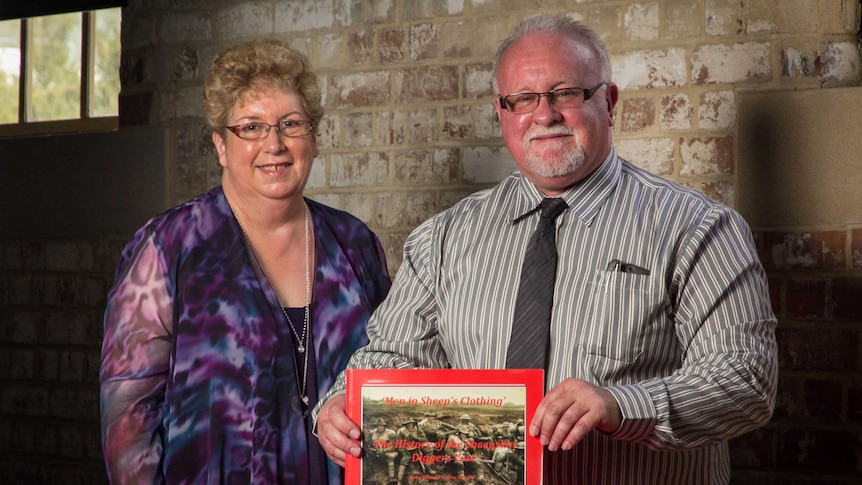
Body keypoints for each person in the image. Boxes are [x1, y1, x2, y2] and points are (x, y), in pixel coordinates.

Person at [314, 13, 777, 484]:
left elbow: (746, 380)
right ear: (502, 112)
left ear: (610, 102)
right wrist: (339, 406)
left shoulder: (697, 227)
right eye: (523, 99)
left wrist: (620, 405)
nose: (544, 114)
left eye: (566, 93)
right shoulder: (443, 238)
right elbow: (391, 357)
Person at [99, 38, 391, 484]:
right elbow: (128, 426)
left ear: (313, 139)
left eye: (291, 124)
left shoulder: (356, 245)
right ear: (220, 145)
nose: (274, 143)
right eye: (251, 127)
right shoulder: (167, 248)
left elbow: (393, 372)